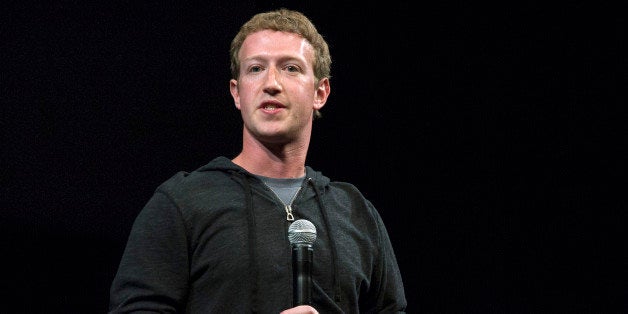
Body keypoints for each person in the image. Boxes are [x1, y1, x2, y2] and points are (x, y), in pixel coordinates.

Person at [109, 8, 407, 313]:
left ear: (320, 91)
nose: (271, 83)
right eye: (255, 69)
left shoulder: (356, 213)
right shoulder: (182, 203)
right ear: (237, 93)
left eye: (291, 68)